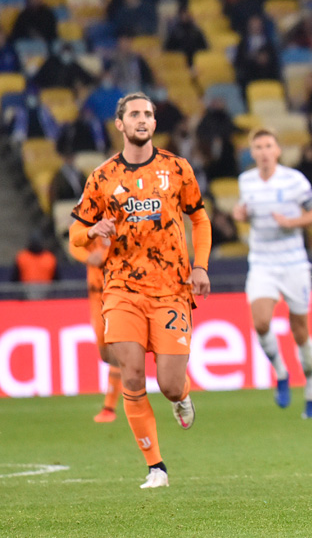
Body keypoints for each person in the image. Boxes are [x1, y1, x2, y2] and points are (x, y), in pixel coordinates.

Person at [68, 92, 212, 489]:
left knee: (169, 384)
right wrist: (92, 232)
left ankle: (181, 395)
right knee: (131, 375)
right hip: (121, 289)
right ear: (120, 124)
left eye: (148, 113)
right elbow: (75, 231)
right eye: (134, 114)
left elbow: (199, 219)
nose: (143, 119)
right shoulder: (102, 177)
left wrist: (200, 266)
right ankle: (156, 468)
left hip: (171, 290)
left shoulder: (176, 168)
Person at [233, 129, 312, 419]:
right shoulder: (246, 181)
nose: (263, 152)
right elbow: (245, 212)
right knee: (261, 322)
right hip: (262, 263)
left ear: (277, 151)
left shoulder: (294, 180)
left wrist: (291, 222)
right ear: (252, 152)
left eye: (268, 146)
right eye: (258, 147)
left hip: (294, 264)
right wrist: (240, 215)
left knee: (301, 332)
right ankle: (281, 372)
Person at [67, 234, 121, 422]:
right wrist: (88, 257)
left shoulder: (121, 219)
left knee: (117, 350)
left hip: (118, 293)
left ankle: (109, 407)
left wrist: (104, 255)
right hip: (96, 296)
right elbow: (74, 243)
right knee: (105, 353)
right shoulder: (89, 221)